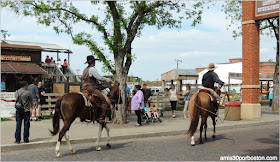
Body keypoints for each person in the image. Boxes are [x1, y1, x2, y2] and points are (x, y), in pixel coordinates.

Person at [82, 55, 114, 123]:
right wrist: (109, 80)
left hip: (85, 88)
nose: (95, 62)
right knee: (104, 101)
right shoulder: (92, 69)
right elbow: (99, 77)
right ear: (93, 62)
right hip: (92, 88)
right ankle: (101, 117)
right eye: (94, 61)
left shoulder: (85, 70)